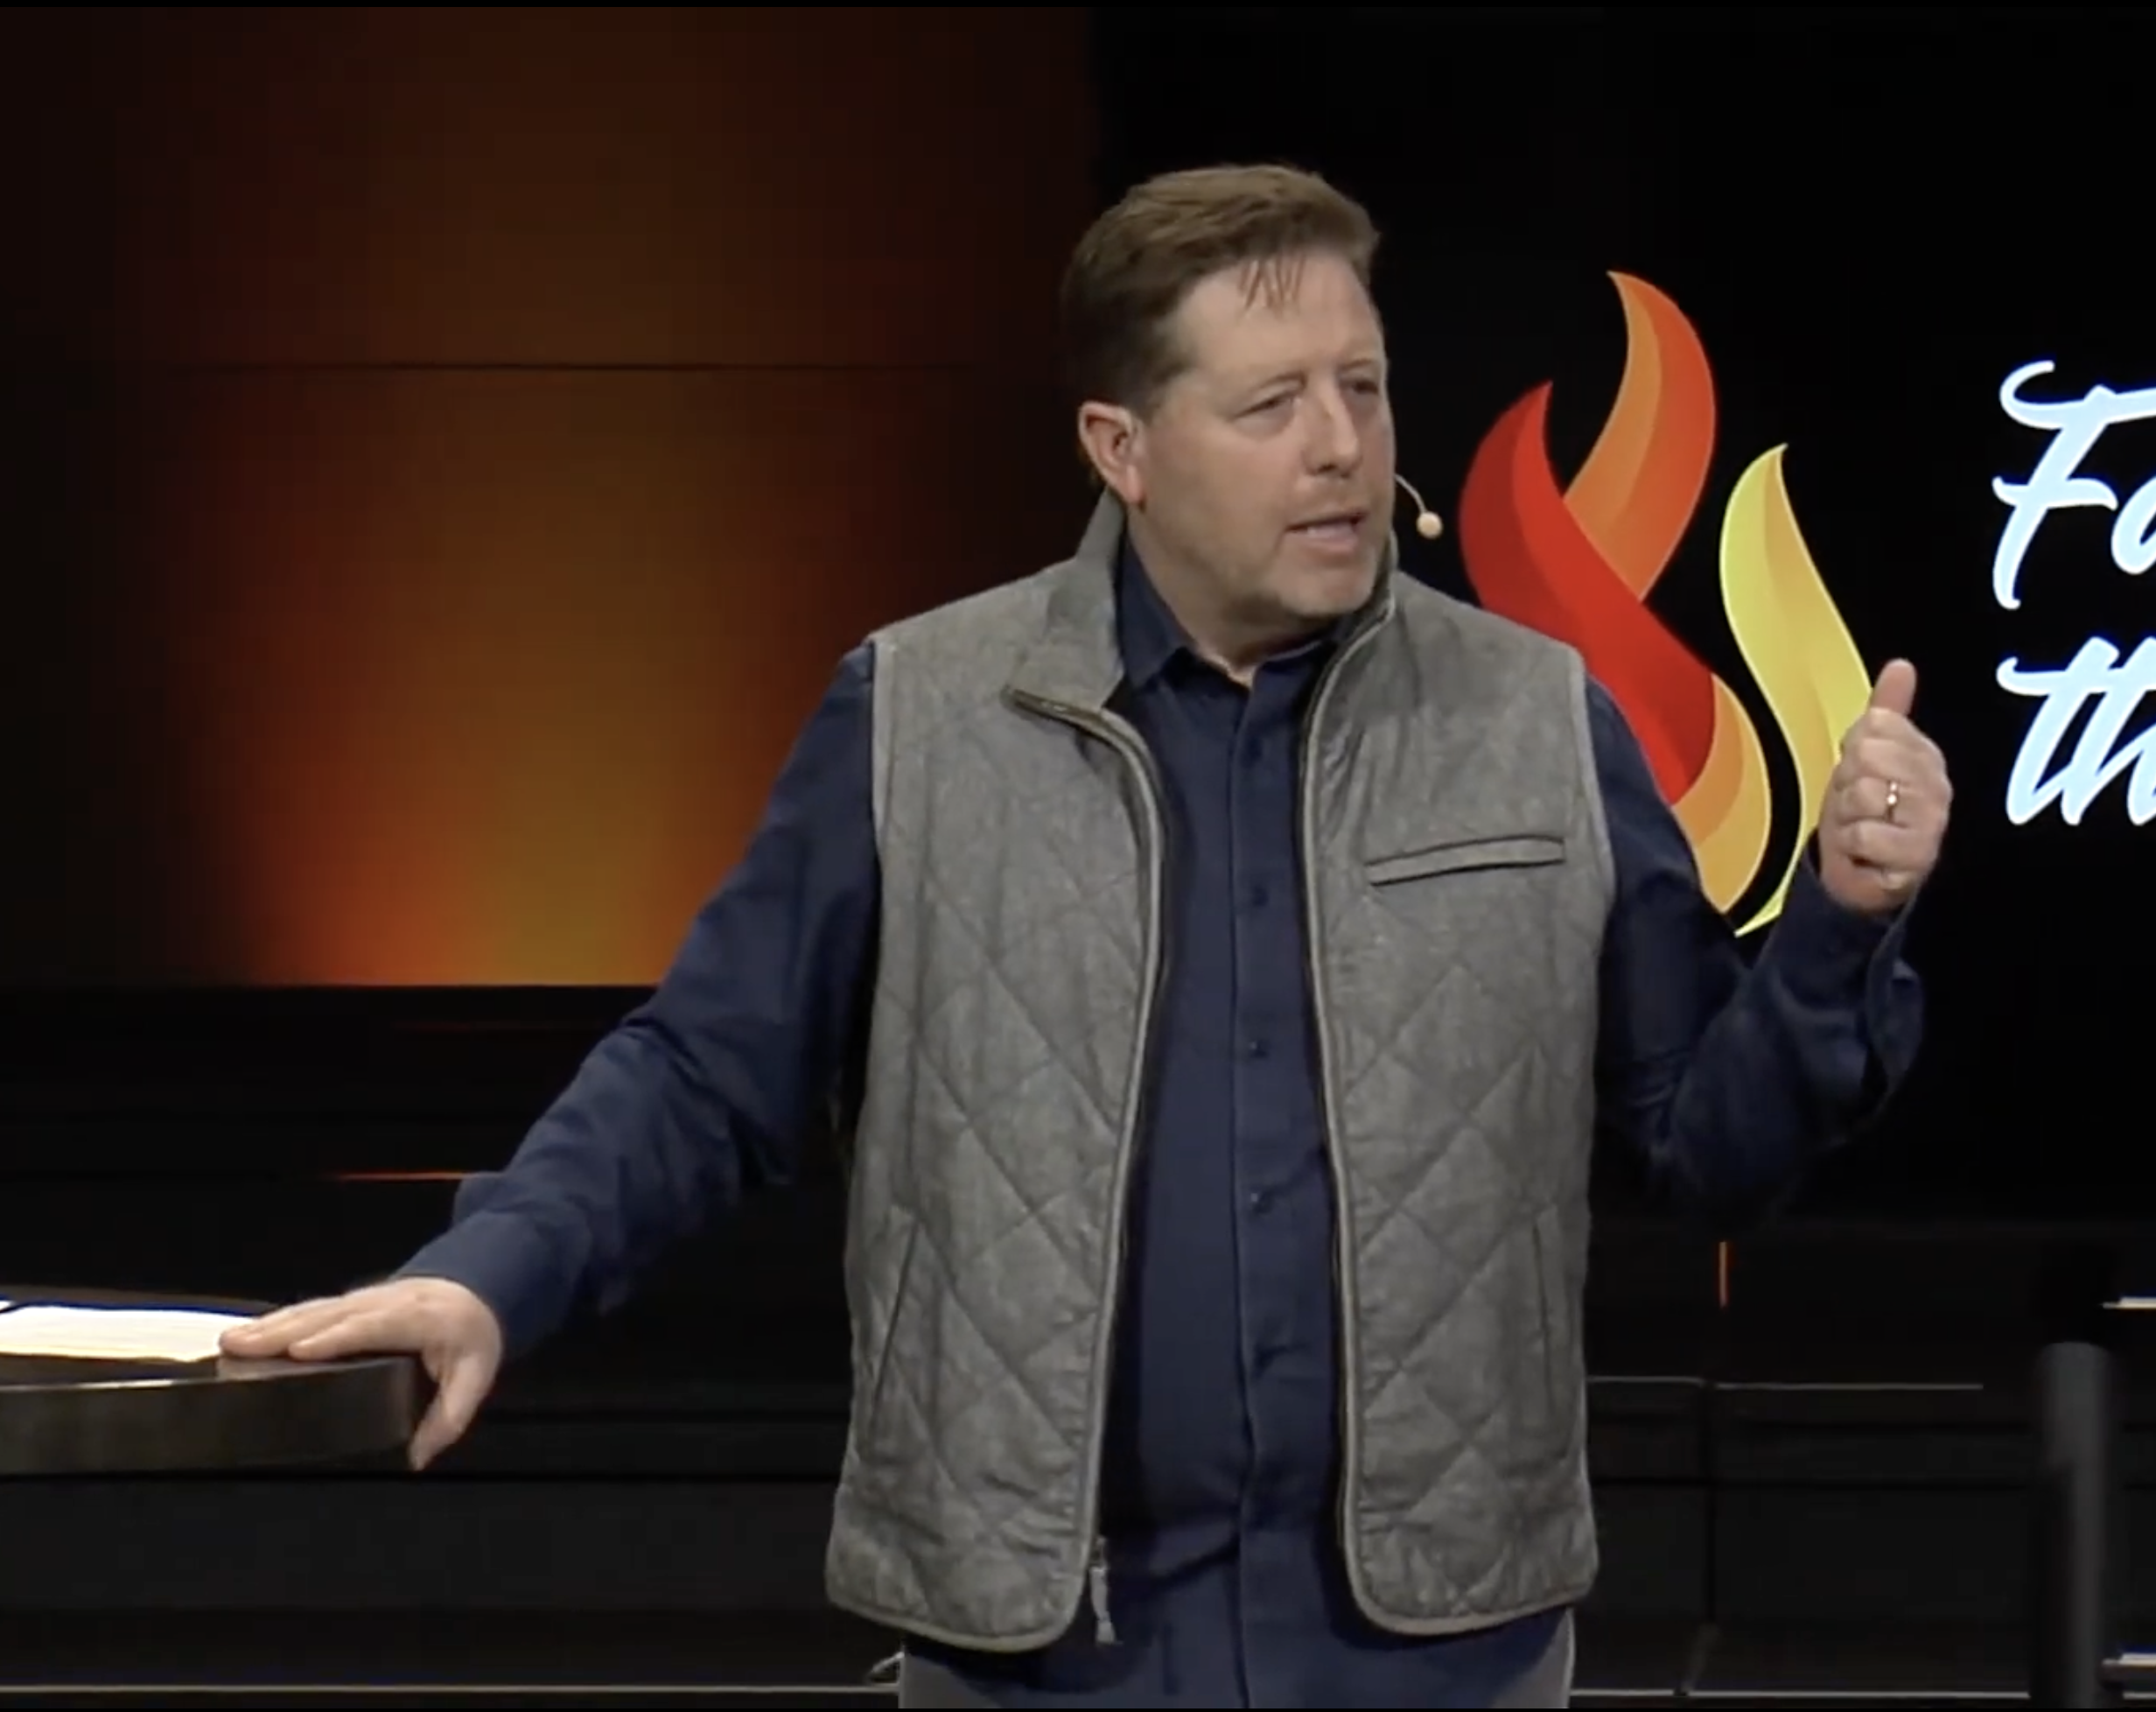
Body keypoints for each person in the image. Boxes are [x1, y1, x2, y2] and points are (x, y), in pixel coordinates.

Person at [221, 164, 1949, 1708]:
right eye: (1270, 402)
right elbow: (699, 1074)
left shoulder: (1536, 720)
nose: (1342, 445)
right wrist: (481, 1278)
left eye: (1360, 385)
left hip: (1439, 1653)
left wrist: (1839, 925)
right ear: (1121, 449)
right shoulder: (918, 712)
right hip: (1049, 1655)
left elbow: (1711, 1146)